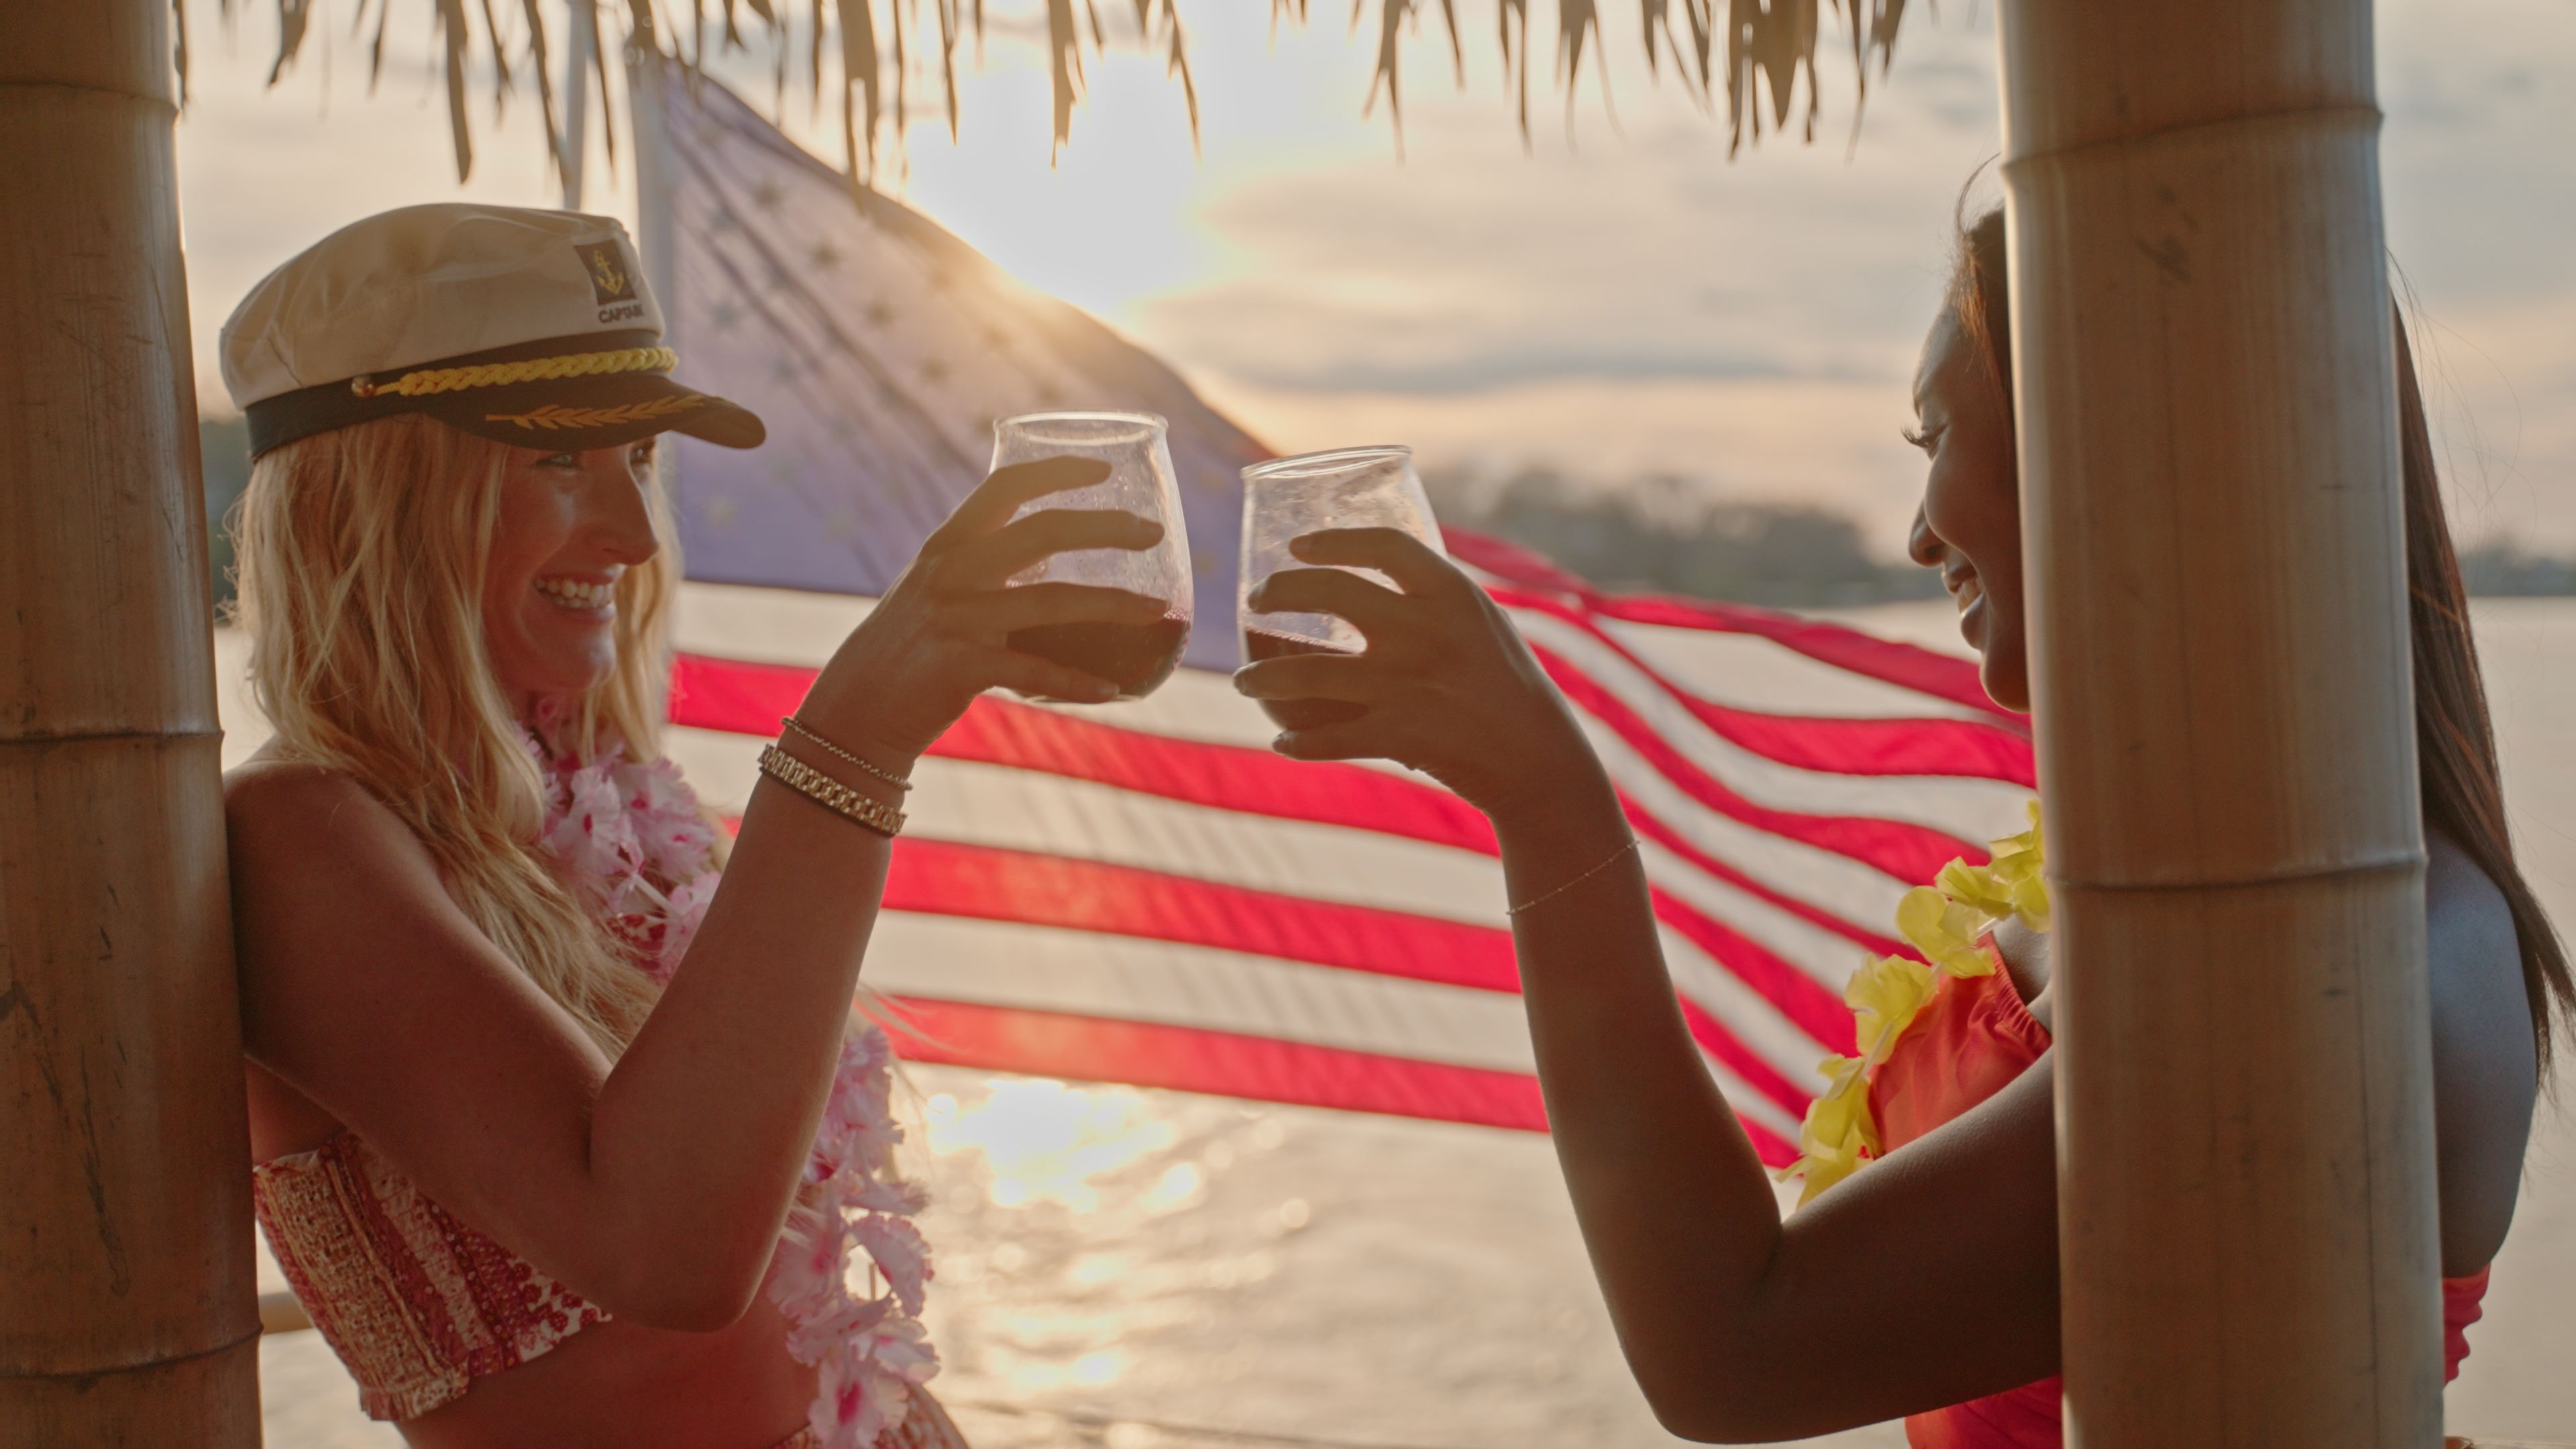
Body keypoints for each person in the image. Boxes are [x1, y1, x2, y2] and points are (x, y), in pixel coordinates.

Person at [1229, 202, 2569, 1444]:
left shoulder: (2326, 956)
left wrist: (1546, 795)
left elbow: (1732, 1350)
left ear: (2120, 433)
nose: (1922, 538)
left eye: (1935, 439)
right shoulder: (2217, 887)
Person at [222, 203, 1171, 1448]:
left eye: (642, 463)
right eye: (561, 461)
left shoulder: (588, 808)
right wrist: (855, 740)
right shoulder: (302, 836)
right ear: (371, 498)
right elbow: (663, 1250)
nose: (628, 534)